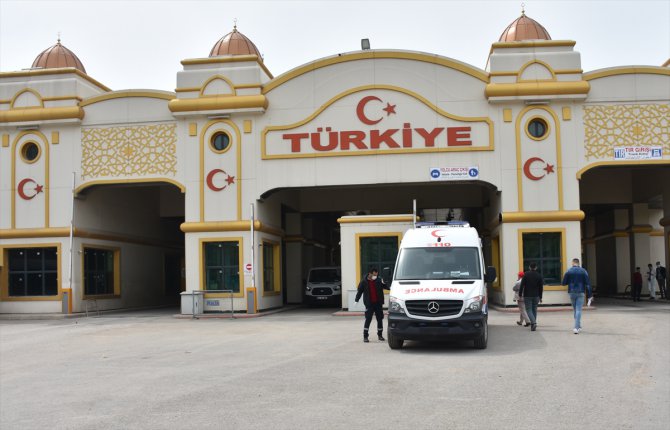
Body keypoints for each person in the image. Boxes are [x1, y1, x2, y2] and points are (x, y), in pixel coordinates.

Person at [355, 267, 387, 343]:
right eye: (374, 275)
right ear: (370, 274)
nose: (375, 276)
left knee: (380, 319)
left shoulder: (379, 280)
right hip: (369, 304)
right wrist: (356, 300)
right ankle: (365, 336)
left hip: (378, 304)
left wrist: (385, 283)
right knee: (368, 319)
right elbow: (359, 291)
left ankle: (380, 335)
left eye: (376, 275)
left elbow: (386, 287)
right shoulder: (364, 282)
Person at [561, 258, 592, 334]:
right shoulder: (583, 271)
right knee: (578, 310)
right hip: (581, 292)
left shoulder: (568, 271)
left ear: (573, 263)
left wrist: (570, 281)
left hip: (571, 292)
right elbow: (588, 284)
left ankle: (578, 325)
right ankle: (576, 327)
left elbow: (563, 283)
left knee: (575, 310)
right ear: (579, 263)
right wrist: (590, 295)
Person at [518, 262, 543, 331]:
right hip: (536, 295)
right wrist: (540, 297)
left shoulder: (526, 274)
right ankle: (533, 324)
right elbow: (541, 287)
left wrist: (520, 294)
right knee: (534, 309)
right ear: (536, 267)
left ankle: (533, 323)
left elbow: (522, 285)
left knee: (529, 309)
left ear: (529, 267)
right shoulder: (539, 275)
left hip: (527, 295)